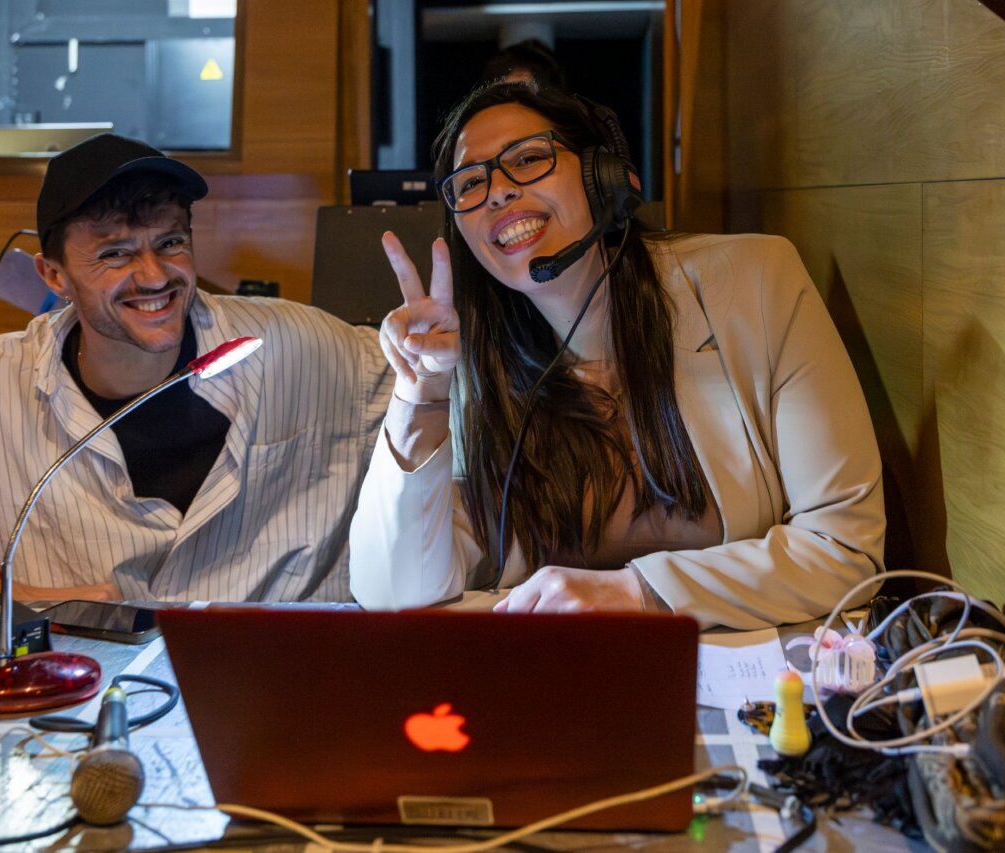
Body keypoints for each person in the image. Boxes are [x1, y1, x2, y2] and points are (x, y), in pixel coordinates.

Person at [348, 82, 885, 629]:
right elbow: (394, 594)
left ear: (600, 174)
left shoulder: (757, 283)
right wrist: (420, 395)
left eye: (527, 159)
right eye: (470, 184)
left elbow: (845, 550)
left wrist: (636, 592)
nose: (498, 193)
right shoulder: (473, 366)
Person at [0, 134, 393, 603]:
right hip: (85, 700)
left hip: (280, 690)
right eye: (115, 253)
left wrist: (434, 355)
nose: (154, 276)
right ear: (53, 275)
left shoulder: (297, 343)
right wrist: (4, 596)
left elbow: (433, 399)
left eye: (171, 242)